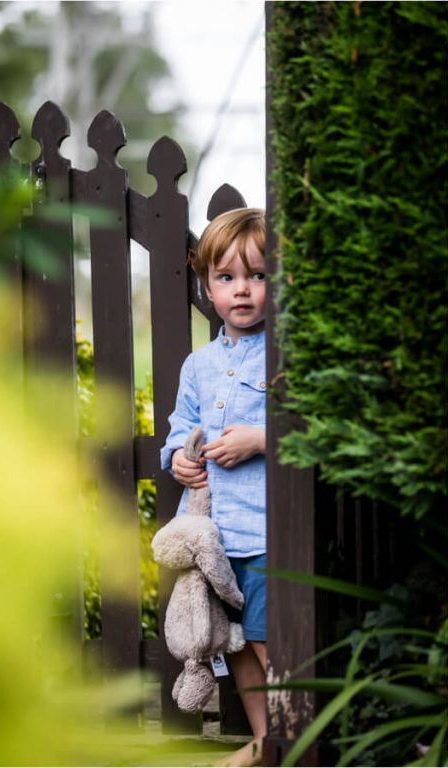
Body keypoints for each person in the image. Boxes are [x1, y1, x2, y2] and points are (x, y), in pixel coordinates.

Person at [161, 207, 269, 767]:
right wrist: (178, 457)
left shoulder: (282, 355)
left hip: (266, 531)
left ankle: (288, 734)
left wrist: (259, 439)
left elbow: (307, 427)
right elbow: (181, 428)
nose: (243, 290)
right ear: (207, 286)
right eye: (227, 278)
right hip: (215, 539)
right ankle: (263, 739)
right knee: (237, 642)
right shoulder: (198, 365)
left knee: (270, 639)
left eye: (257, 275)